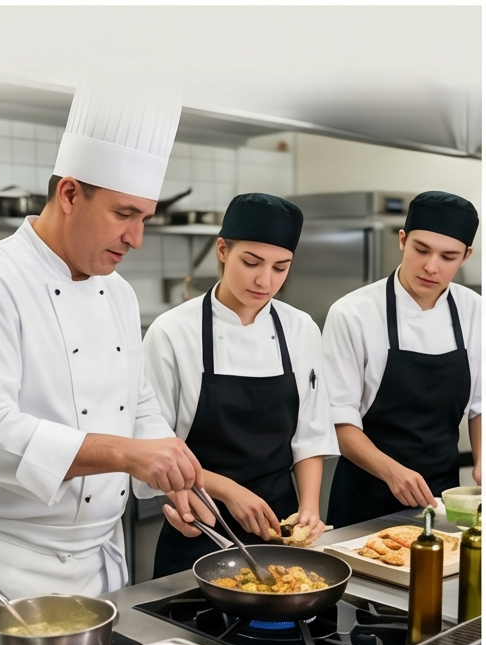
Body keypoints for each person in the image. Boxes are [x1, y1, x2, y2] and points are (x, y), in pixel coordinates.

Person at [0, 74, 205, 639]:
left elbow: (136, 405)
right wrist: (129, 454)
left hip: (99, 570)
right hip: (0, 577)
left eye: (145, 219)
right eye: (123, 214)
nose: (136, 238)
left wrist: (170, 476)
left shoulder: (118, 291)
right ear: (69, 194)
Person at [138, 193, 339, 578]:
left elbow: (310, 434)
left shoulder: (300, 329)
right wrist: (228, 491)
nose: (265, 280)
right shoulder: (173, 332)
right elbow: (152, 448)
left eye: (281, 268)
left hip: (279, 532)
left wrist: (310, 510)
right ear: (222, 250)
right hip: (199, 531)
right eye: (251, 263)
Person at [322, 190, 481, 528]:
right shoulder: (352, 313)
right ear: (403, 239)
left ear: (465, 256)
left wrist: (482, 460)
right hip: (364, 498)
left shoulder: (475, 312)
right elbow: (340, 421)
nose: (431, 266)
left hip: (442, 498)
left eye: (448, 256)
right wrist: (392, 472)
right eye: (421, 250)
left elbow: (480, 405)